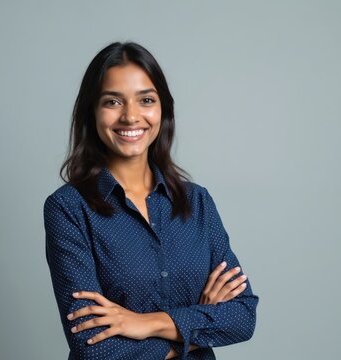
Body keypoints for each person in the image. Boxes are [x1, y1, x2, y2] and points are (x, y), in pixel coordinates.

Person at [44, 41, 258, 360]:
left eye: (146, 100)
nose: (131, 117)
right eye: (113, 101)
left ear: (163, 110)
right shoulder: (68, 208)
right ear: (92, 111)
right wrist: (195, 326)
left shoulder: (197, 202)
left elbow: (242, 317)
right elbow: (94, 346)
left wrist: (146, 324)